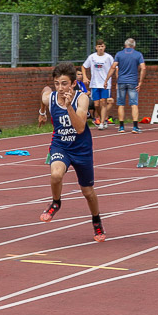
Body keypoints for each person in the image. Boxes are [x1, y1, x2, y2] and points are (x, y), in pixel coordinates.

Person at [37, 62, 105, 242]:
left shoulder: (81, 99)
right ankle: (56, 202)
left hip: (81, 149)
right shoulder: (51, 97)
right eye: (57, 83)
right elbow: (44, 91)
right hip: (61, 146)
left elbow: (80, 128)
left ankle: (96, 220)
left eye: (64, 83)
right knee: (55, 174)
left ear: (73, 84)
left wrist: (68, 107)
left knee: (88, 192)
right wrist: (42, 112)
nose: (60, 88)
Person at [106, 37, 146, 133]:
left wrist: (106, 79)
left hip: (121, 81)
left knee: (121, 104)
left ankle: (121, 127)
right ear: (134, 46)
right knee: (134, 104)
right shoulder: (138, 54)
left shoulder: (119, 54)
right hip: (133, 82)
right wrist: (140, 82)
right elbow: (143, 68)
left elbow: (113, 67)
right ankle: (135, 127)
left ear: (125, 45)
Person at [82, 39, 114, 129]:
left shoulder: (108, 57)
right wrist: (85, 77)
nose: (100, 48)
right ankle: (102, 117)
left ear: (104, 47)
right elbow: (84, 67)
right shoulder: (92, 57)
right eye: (99, 46)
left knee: (103, 102)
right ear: (96, 47)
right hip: (94, 83)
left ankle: (102, 123)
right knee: (96, 104)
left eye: (102, 46)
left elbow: (114, 67)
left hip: (105, 84)